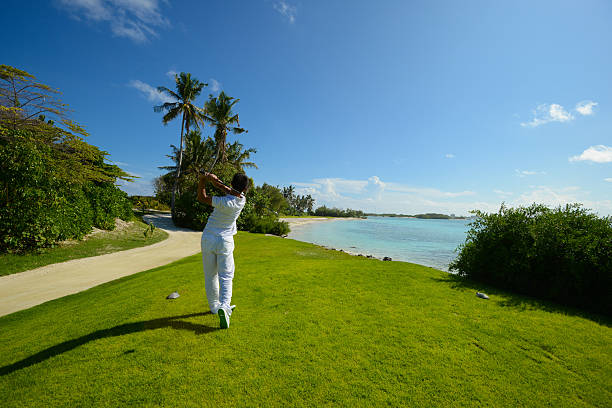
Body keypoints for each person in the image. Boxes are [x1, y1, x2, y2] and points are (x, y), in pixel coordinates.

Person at [197, 172, 249, 329]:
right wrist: (215, 180)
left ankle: (215, 307)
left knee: (210, 275)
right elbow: (226, 189)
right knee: (226, 276)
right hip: (225, 241)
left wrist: (203, 181)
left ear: (232, 184)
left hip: (208, 238)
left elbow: (202, 197)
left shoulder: (221, 201)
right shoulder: (241, 200)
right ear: (245, 189)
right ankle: (224, 307)